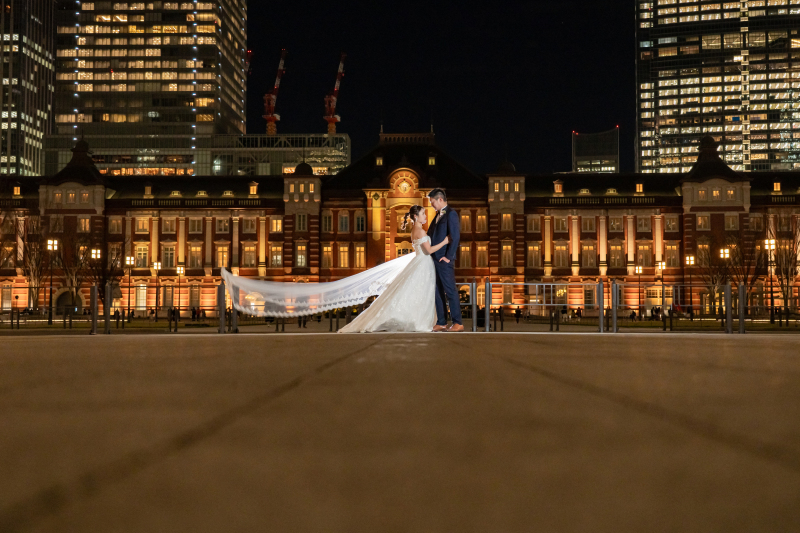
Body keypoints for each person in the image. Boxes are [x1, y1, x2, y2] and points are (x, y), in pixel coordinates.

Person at [338, 204, 450, 333]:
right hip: (424, 264)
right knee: (422, 292)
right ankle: (419, 320)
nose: (425, 216)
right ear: (416, 216)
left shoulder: (414, 230)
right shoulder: (420, 231)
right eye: (423, 213)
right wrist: (445, 242)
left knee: (416, 292)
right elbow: (429, 250)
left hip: (420, 263)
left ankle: (414, 319)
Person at [426, 188, 463, 332]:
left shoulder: (451, 214)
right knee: (437, 291)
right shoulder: (436, 216)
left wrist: (448, 257)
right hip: (433, 259)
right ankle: (441, 322)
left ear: (440, 199)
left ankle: (458, 322)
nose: (432, 205)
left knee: (450, 290)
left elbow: (455, 237)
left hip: (444, 259)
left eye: (433, 202)